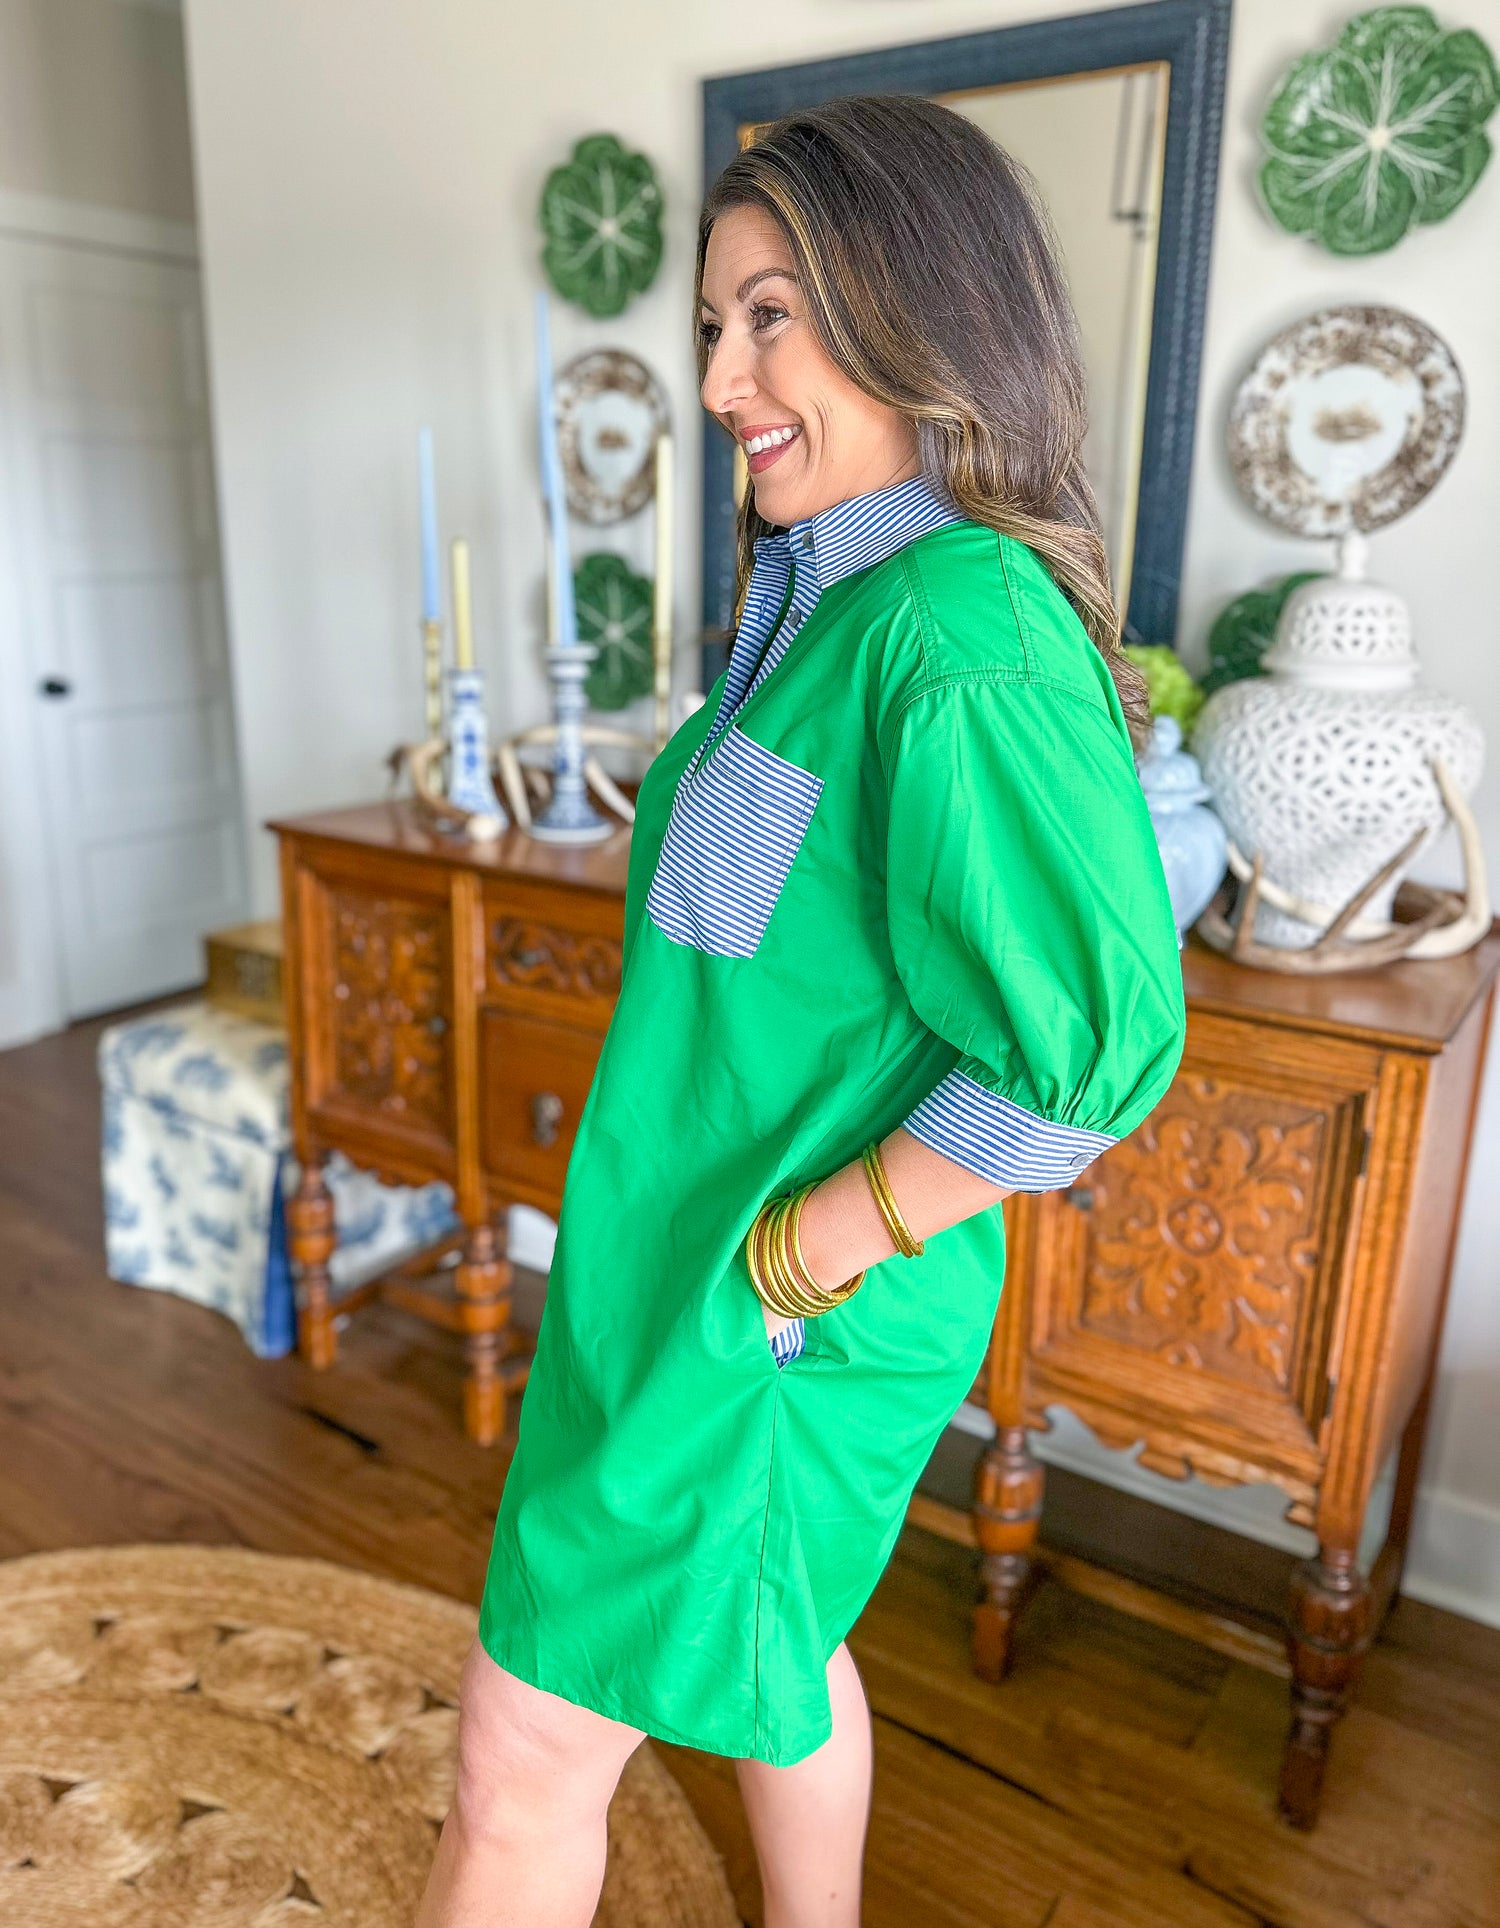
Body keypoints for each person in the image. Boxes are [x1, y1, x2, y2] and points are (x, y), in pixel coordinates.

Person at [417, 94, 1186, 1928]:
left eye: (773, 316)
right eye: (714, 322)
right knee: (788, 1645)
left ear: (923, 310)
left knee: (520, 1760)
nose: (718, 380)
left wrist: (800, 1257)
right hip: (680, 1265)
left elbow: (1089, 1058)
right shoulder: (832, 595)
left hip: (764, 1315)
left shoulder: (960, 629)